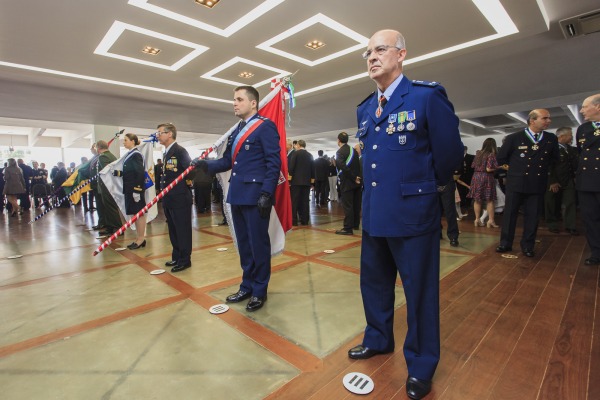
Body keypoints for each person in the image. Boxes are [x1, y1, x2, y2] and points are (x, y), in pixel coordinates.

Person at [347, 29, 463, 400]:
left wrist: (427, 190)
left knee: (420, 293)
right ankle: (378, 339)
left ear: (401, 55)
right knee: (374, 284)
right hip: (376, 212)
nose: (372, 57)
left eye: (380, 49)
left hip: (414, 214)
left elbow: (449, 156)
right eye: (367, 52)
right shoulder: (365, 107)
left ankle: (421, 363)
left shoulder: (427, 97)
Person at [194, 85, 281, 312]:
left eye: (239, 99)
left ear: (253, 103)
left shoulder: (265, 127)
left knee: (258, 245)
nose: (234, 103)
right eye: (234, 99)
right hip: (238, 194)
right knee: (244, 245)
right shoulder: (236, 132)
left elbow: (274, 163)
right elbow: (227, 162)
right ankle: (247, 285)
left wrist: (266, 193)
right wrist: (205, 164)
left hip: (256, 196)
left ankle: (259, 290)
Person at [496, 109, 560, 258]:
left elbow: (554, 160)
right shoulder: (514, 138)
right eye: (545, 118)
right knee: (510, 215)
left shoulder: (550, 139)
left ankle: (528, 245)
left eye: (549, 118)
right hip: (516, 183)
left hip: (537, 183)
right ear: (532, 120)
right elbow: (501, 159)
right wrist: (513, 170)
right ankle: (505, 243)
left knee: (533, 216)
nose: (549, 121)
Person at [157, 123, 194, 272]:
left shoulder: (180, 151)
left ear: (170, 134)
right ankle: (177, 256)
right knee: (173, 229)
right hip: (168, 198)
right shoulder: (166, 152)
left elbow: (191, 171)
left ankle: (185, 260)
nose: (158, 135)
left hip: (179, 197)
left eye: (160, 132)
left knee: (182, 229)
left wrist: (182, 184)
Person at [576, 94, 600, 265]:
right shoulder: (583, 129)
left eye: (584, 106)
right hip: (586, 181)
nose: (581, 110)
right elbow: (581, 153)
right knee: (590, 218)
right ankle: (596, 252)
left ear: (597, 107)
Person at [114, 133, 147, 249]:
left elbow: (139, 173)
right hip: (130, 189)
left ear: (133, 141)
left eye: (126, 140)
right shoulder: (130, 154)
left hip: (135, 190)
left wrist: (137, 190)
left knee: (139, 214)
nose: (124, 142)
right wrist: (119, 173)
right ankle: (139, 238)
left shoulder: (136, 155)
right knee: (135, 214)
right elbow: (131, 172)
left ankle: (141, 238)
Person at [545, 127, 578, 235]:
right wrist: (552, 181)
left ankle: (570, 226)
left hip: (568, 180)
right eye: (570, 134)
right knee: (552, 204)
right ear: (562, 136)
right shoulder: (551, 149)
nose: (571, 136)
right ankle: (552, 225)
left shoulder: (570, 149)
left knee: (570, 202)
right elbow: (548, 166)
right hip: (554, 180)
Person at [467, 138, 499, 228]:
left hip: (476, 177)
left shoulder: (478, 153)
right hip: (486, 177)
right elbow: (488, 169)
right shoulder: (491, 154)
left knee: (477, 200)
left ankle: (477, 220)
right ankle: (491, 221)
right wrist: (498, 167)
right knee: (490, 200)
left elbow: (473, 165)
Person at [335, 132, 361, 235]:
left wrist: (353, 177)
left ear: (338, 140)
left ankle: (347, 228)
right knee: (356, 205)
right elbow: (357, 165)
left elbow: (342, 167)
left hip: (347, 182)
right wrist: (357, 177)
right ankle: (355, 224)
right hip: (357, 181)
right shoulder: (353, 151)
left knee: (348, 206)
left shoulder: (340, 152)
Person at [96, 140, 122, 236]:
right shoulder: (111, 155)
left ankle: (117, 227)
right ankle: (110, 226)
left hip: (107, 185)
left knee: (110, 207)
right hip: (111, 185)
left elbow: (106, 171)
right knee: (109, 206)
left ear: (98, 148)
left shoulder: (103, 157)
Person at [288, 139, 314, 225]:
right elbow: (313, 169)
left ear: (298, 145)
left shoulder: (295, 153)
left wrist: (289, 178)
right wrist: (312, 181)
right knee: (305, 201)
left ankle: (294, 220)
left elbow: (291, 167)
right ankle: (305, 220)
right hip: (306, 182)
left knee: (294, 201)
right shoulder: (310, 155)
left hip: (296, 182)